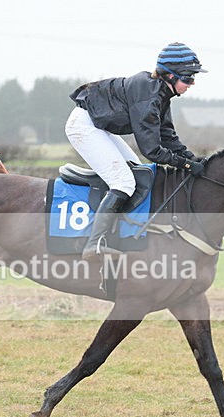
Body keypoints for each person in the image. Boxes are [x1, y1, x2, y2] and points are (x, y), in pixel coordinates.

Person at [66, 42, 208, 260]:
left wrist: (192, 158)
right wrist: (187, 165)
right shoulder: (149, 96)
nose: (192, 83)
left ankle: (120, 232)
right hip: (84, 125)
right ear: (169, 76)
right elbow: (152, 150)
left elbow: (167, 136)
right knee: (124, 182)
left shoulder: (160, 93)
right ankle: (93, 245)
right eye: (188, 78)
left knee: (140, 172)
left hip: (98, 125)